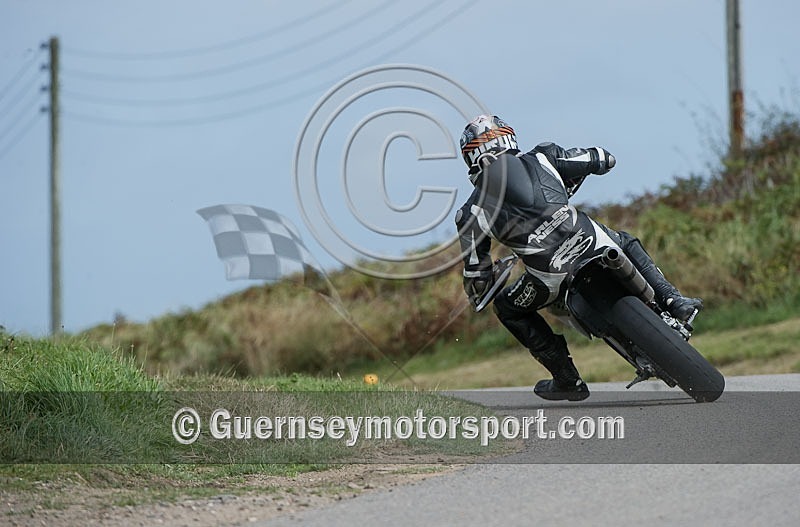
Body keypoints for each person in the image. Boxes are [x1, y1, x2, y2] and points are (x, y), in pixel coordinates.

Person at [455, 115, 702, 401]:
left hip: (547, 277)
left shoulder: (469, 213)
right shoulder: (544, 156)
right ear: (508, 138)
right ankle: (675, 301)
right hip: (591, 242)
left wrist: (490, 279)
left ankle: (566, 379)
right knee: (626, 241)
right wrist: (574, 177)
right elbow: (602, 159)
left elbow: (476, 277)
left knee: (509, 309)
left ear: (470, 157)